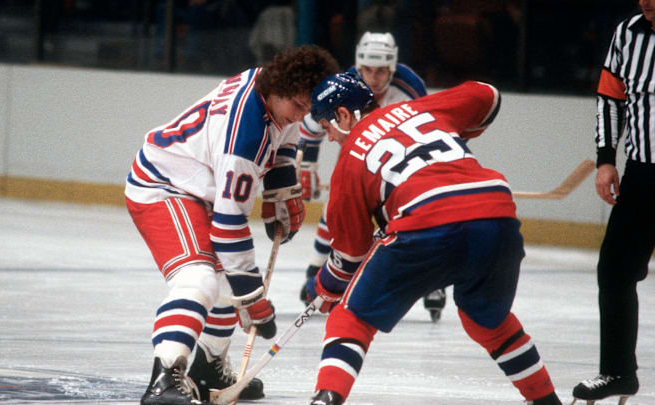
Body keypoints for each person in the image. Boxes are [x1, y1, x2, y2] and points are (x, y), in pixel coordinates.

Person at [304, 73, 563, 405]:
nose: (329, 138)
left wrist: (321, 288)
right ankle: (546, 401)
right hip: (496, 211)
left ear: (342, 115)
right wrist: (444, 126)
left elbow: (349, 256)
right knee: (487, 321)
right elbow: (488, 95)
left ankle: (327, 398)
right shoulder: (422, 109)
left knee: (350, 317)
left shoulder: (349, 160)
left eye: (327, 127)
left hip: (426, 221)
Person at [125, 45, 339, 405]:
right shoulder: (246, 135)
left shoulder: (270, 88)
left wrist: (280, 189)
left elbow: (285, 135)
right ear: (279, 90)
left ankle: (207, 366)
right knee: (200, 278)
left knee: (227, 279)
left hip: (199, 186)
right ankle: (164, 378)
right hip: (164, 186)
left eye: (309, 109)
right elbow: (228, 226)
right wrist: (253, 297)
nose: (303, 116)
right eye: (299, 107)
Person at [297, 32, 448, 322]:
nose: (374, 78)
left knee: (417, 215)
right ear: (358, 66)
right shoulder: (344, 85)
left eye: (381, 71)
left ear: (392, 68)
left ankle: (436, 281)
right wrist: (307, 168)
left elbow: (430, 129)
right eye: (368, 70)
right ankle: (317, 268)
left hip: (398, 162)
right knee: (338, 205)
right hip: (358, 154)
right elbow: (311, 126)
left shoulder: (410, 87)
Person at [571, 1, 655, 404]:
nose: (647, 1)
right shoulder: (628, 32)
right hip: (642, 173)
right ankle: (619, 372)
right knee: (615, 271)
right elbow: (610, 97)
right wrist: (607, 160)